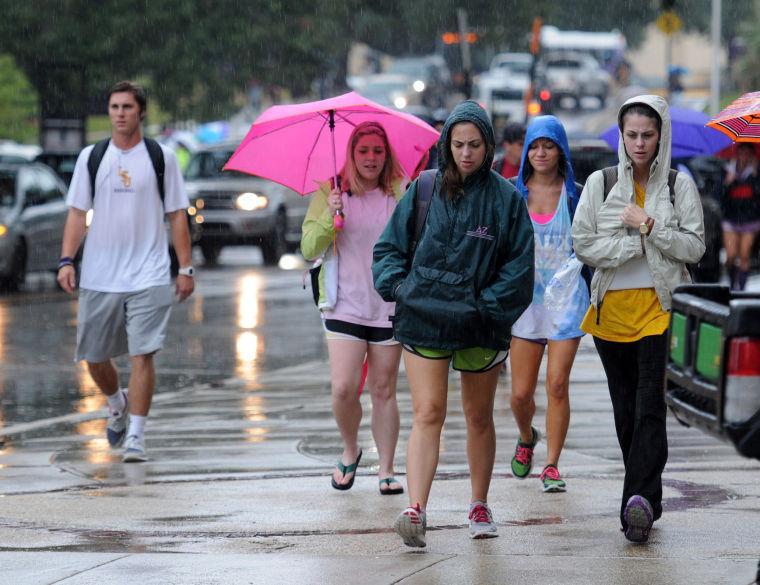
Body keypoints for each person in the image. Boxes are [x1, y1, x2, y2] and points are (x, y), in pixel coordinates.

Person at [373, 100, 534, 547]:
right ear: (447, 144)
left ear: (488, 146)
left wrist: (485, 308)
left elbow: (520, 270)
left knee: (478, 416)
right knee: (428, 413)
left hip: (479, 327)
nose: (466, 153)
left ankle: (479, 503)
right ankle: (416, 508)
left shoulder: (506, 200)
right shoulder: (424, 189)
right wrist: (401, 289)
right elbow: (388, 250)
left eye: (475, 145)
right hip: (423, 321)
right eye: (458, 144)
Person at [571, 95, 705, 543]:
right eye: (632, 135)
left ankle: (637, 506)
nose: (640, 143)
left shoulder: (677, 185)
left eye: (648, 134)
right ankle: (646, 497)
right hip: (611, 315)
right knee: (626, 412)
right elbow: (584, 244)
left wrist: (649, 226)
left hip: (660, 312)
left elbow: (694, 248)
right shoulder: (600, 182)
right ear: (622, 136)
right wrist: (631, 245)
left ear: (660, 135)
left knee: (651, 407)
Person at [57, 81, 194, 463]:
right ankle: (116, 403)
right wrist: (67, 260)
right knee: (94, 357)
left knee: (143, 354)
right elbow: (76, 212)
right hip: (100, 273)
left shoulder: (160, 157)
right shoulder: (92, 157)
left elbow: (177, 215)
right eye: (114, 107)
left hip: (149, 273)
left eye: (127, 107)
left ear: (141, 112)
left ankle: (136, 434)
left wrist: (185, 267)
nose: (120, 113)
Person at [300, 121, 407, 495]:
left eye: (378, 151)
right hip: (343, 304)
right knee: (344, 389)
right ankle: (351, 447)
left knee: (383, 389)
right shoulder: (332, 191)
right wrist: (331, 216)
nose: (371, 158)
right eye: (363, 151)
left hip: (388, 304)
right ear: (351, 154)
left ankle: (388, 469)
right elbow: (309, 248)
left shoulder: (399, 192)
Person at [508, 115, 589, 493]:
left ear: (561, 151)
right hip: (524, 303)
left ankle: (552, 465)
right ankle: (527, 437)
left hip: (567, 302)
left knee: (557, 384)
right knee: (520, 394)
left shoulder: (577, 194)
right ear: (527, 150)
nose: (542, 153)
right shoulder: (512, 193)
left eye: (549, 145)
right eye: (535, 146)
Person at [721, 143, 760, 290]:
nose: (744, 155)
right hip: (731, 219)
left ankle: (741, 289)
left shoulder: (756, 171)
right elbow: (720, 196)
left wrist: (755, 177)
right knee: (731, 256)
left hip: (750, 221)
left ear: (751, 154)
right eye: (741, 151)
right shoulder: (727, 170)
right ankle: (732, 285)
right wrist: (728, 182)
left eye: (747, 152)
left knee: (744, 256)